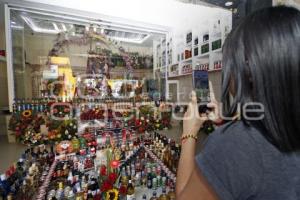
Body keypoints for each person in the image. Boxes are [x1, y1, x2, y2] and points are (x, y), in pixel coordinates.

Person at [176, 6, 300, 200]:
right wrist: (222, 125)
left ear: (248, 70)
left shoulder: (236, 143)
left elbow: (184, 195)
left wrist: (189, 132)